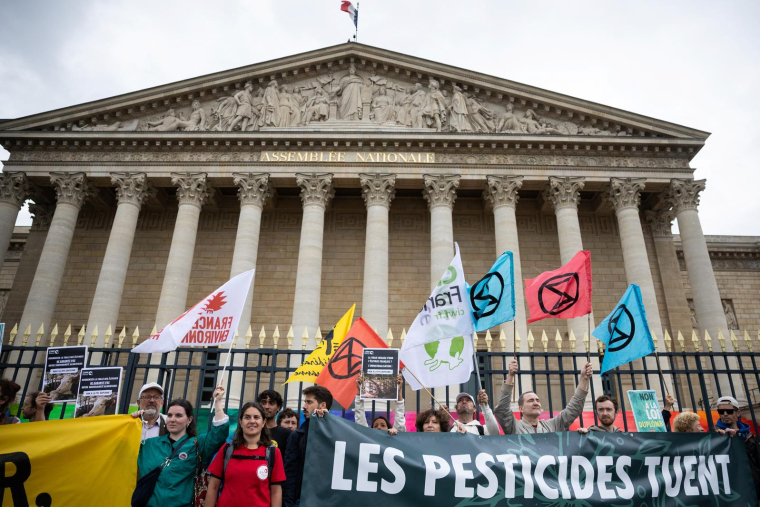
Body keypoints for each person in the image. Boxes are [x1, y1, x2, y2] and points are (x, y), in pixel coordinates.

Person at [135, 385, 230, 507]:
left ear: (189, 420)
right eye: (169, 415)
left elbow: (219, 433)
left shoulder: (197, 444)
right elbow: (122, 450)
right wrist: (133, 423)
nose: (172, 419)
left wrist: (217, 402)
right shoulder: (149, 444)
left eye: (178, 416)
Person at [206, 401, 285, 507]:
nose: (252, 421)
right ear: (240, 422)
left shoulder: (273, 452)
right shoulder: (227, 449)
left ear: (263, 422)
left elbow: (276, 492)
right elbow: (213, 487)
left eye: (256, 417)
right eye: (247, 417)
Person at [495, 358, 591, 434]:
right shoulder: (514, 426)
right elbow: (502, 410)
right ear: (521, 408)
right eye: (530, 400)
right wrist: (510, 376)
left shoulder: (553, 425)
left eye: (537, 400)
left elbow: (574, 409)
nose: (536, 403)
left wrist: (583, 378)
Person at [283, 385, 331, 507]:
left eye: (309, 402)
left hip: (328, 500)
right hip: (301, 500)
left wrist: (328, 423)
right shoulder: (297, 436)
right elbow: (290, 472)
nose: (304, 406)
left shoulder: (337, 433)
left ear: (322, 405)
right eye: (305, 402)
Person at [714, 395, 760, 500]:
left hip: (752, 487)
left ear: (738, 413)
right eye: (721, 411)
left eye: (729, 411)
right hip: (730, 490)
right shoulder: (714, 434)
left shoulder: (749, 435)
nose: (725, 414)